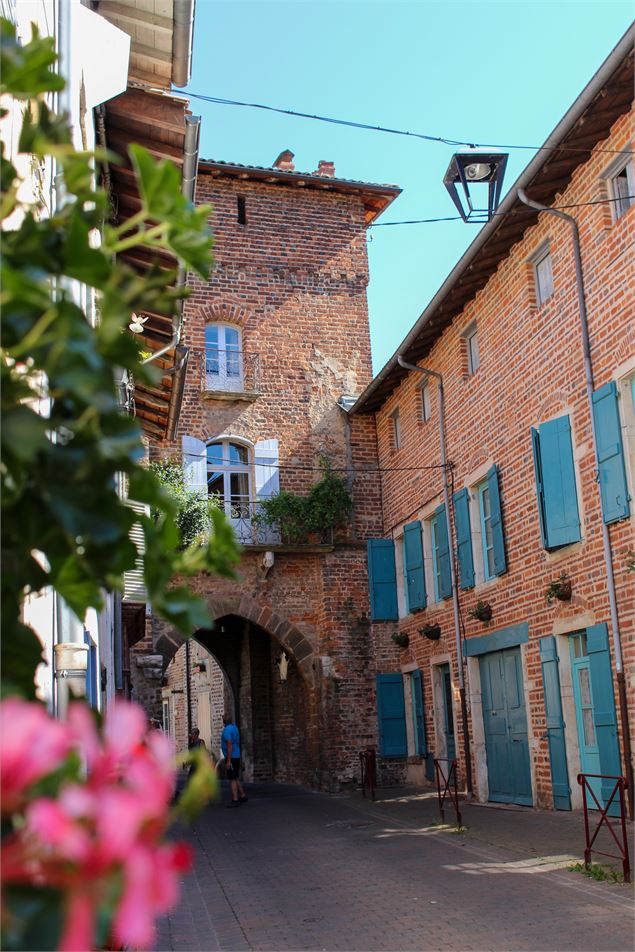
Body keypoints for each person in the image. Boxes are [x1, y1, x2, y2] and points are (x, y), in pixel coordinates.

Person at [221, 713, 247, 807]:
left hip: (231, 757)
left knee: (232, 779)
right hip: (236, 755)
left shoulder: (227, 730)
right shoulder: (234, 727)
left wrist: (228, 760)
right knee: (235, 776)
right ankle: (243, 795)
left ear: (224, 721)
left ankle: (235, 799)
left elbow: (229, 745)